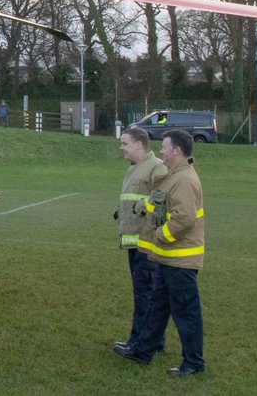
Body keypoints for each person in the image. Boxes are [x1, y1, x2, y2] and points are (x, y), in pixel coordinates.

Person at [114, 129, 206, 376]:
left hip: (181, 259)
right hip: (168, 258)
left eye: (165, 147)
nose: (161, 150)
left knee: (186, 312)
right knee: (157, 307)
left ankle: (194, 362)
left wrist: (160, 236)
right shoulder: (175, 176)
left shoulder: (185, 179)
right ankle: (143, 351)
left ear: (177, 150)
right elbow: (159, 204)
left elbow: (184, 217)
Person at [111, 127, 167, 356]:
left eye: (124, 143)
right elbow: (133, 196)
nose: (121, 148)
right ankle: (155, 339)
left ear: (139, 144)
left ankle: (139, 341)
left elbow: (161, 199)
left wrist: (139, 207)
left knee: (144, 293)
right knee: (144, 292)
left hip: (146, 243)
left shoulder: (156, 166)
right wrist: (120, 209)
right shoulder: (135, 168)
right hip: (134, 242)